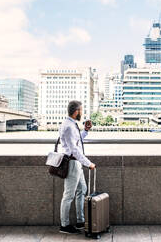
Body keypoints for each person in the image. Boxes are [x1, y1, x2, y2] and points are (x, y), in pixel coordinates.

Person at [59, 100, 96, 234]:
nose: (82, 112)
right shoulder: (68, 126)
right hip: (73, 163)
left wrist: (85, 130)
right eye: (81, 110)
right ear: (76, 112)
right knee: (68, 195)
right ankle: (64, 225)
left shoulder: (71, 124)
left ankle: (80, 220)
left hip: (76, 163)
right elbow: (74, 150)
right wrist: (88, 163)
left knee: (82, 189)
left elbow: (76, 140)